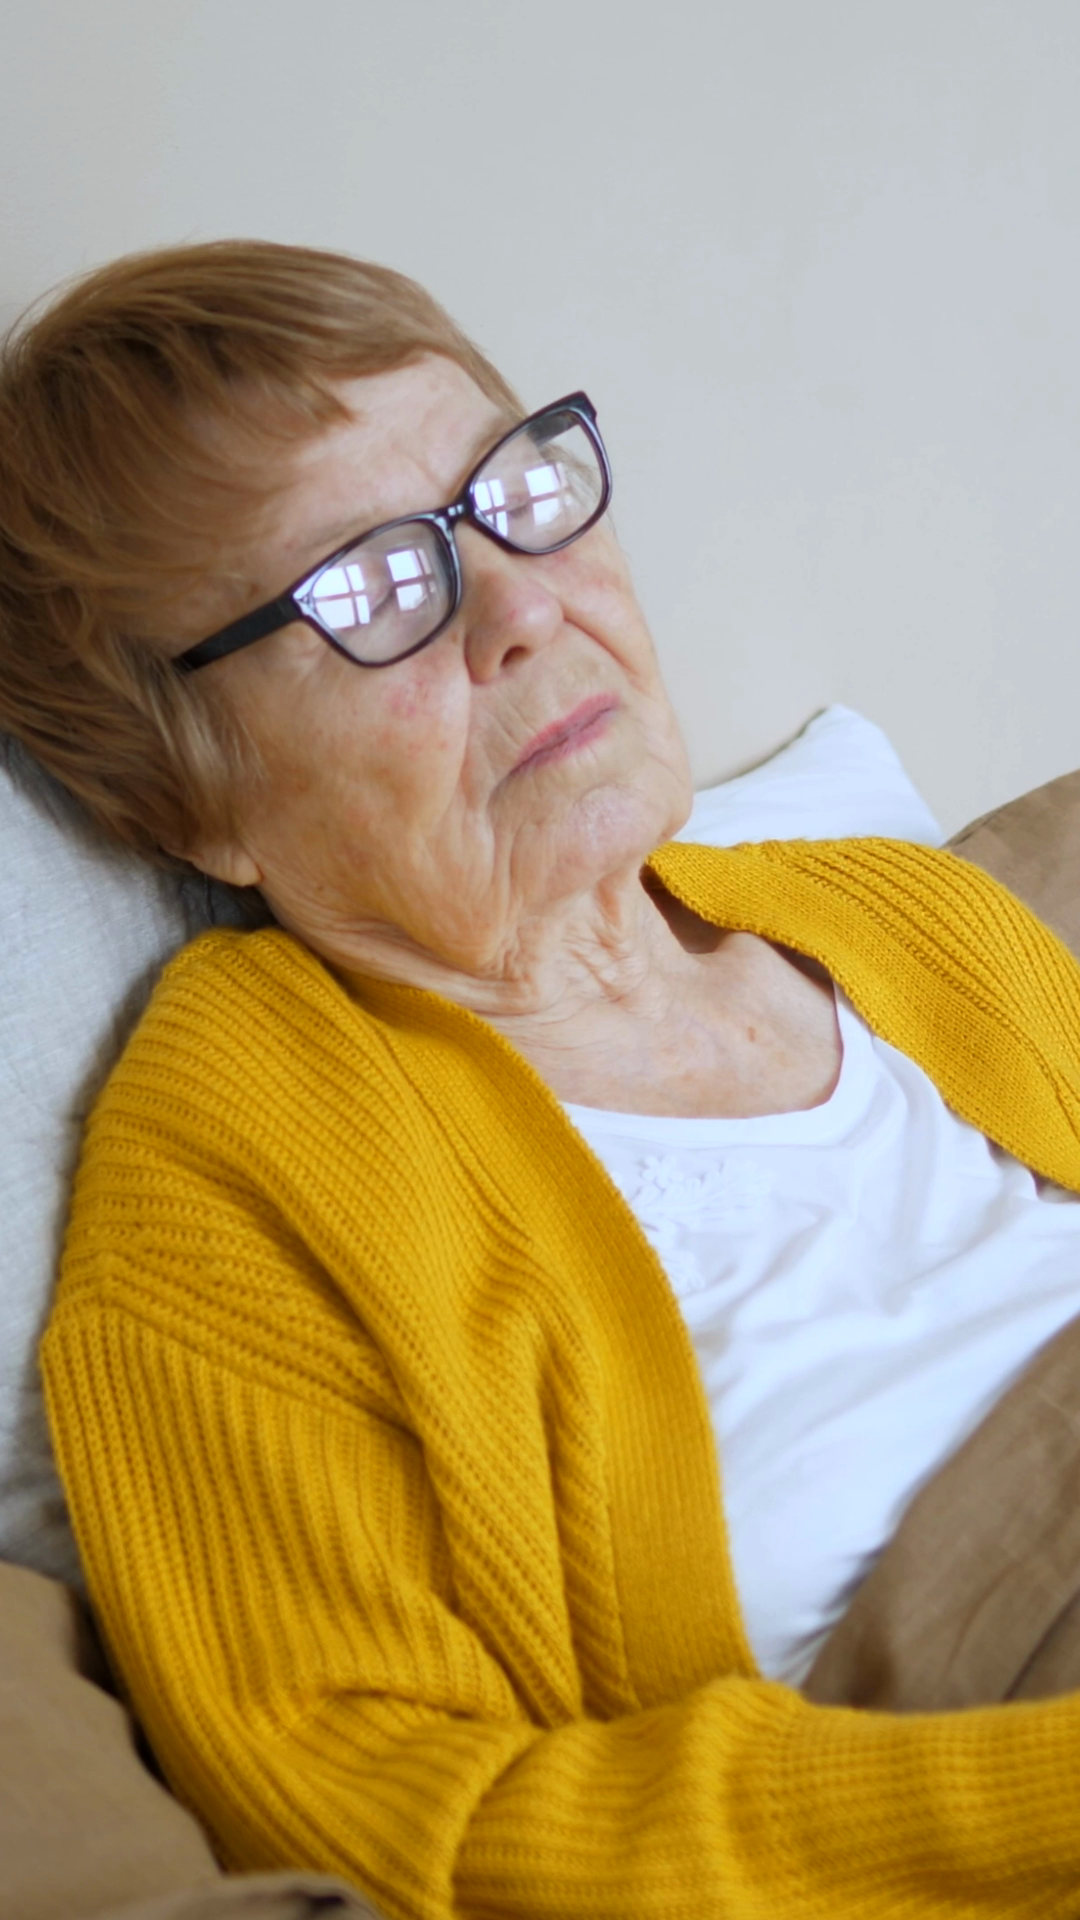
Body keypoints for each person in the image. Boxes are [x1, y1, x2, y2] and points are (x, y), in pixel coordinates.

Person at [3, 238, 1080, 1919]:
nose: (524, 608)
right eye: (373, 588)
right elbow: (381, 1805)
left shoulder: (904, 913)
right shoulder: (242, 1152)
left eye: (516, 492)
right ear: (190, 798)